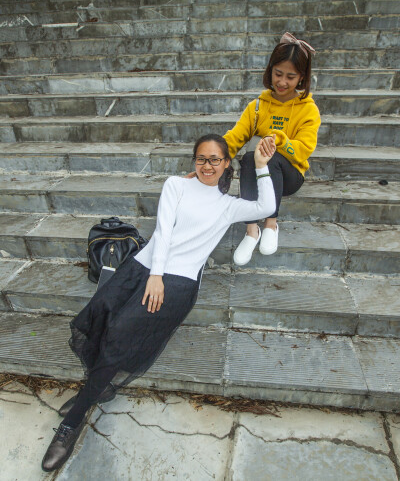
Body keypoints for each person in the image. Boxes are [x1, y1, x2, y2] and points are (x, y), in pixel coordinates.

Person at [41, 133, 276, 472]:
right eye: (201, 159)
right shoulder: (175, 185)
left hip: (178, 282)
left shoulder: (228, 206)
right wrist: (154, 275)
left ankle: (71, 425)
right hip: (144, 268)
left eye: (214, 159)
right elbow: (163, 231)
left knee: (120, 337)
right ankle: (96, 390)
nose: (207, 165)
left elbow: (266, 207)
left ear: (226, 164)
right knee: (101, 318)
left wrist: (262, 166)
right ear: (194, 161)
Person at [224, 32, 321, 266]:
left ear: (301, 78)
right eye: (278, 74)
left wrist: (278, 140)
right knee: (249, 157)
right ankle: (251, 230)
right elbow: (236, 136)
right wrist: (214, 156)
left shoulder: (308, 110)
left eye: (290, 76)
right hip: (258, 173)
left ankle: (270, 223)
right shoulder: (258, 106)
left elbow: (303, 150)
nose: (282, 82)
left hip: (289, 177)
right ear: (270, 71)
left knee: (271, 155)